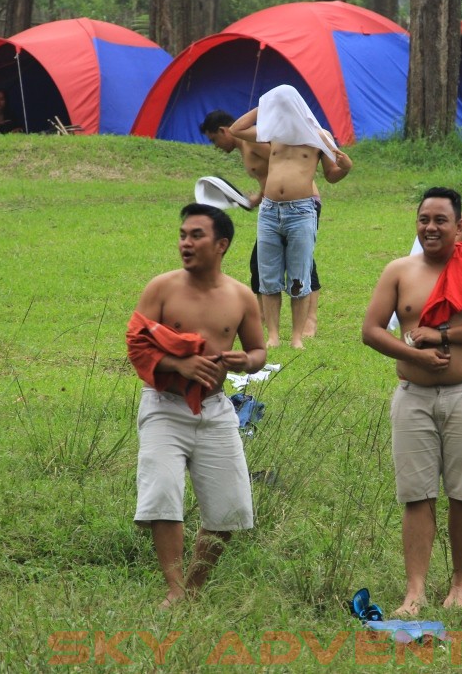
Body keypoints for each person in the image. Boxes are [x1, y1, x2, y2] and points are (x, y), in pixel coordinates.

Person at [362, 187, 462, 616]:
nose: (430, 227)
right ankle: (415, 591)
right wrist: (415, 354)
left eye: (440, 220)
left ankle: (460, 586)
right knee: (416, 494)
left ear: (460, 226)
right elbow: (371, 330)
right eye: (423, 219)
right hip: (413, 396)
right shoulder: (399, 271)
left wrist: (444, 335)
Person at [126, 203, 266, 609]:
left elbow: (258, 349)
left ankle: (193, 587)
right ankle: (174, 590)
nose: (185, 243)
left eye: (196, 236)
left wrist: (247, 361)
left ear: (221, 244)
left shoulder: (241, 296)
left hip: (215, 408)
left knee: (229, 507)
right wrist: (178, 362)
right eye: (183, 235)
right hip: (164, 405)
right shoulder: (162, 288)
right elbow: (137, 342)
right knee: (163, 493)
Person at [230, 86, 353, 349]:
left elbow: (332, 175)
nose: (280, 111)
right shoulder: (273, 134)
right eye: (277, 107)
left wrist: (346, 168)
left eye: (284, 106)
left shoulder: (319, 136)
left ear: (298, 107)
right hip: (269, 211)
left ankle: (297, 337)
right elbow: (236, 130)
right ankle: (273, 336)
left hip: (301, 211)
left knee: (299, 275)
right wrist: (264, 106)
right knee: (269, 276)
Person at [201, 109, 326, 339]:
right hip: (276, 207)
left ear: (222, 131)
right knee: (262, 262)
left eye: (214, 139)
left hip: (301, 204)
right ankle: (262, 319)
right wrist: (256, 199)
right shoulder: (245, 147)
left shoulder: (254, 144)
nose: (216, 146)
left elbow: (287, 166)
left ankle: (310, 320)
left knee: (300, 260)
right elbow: (270, 177)